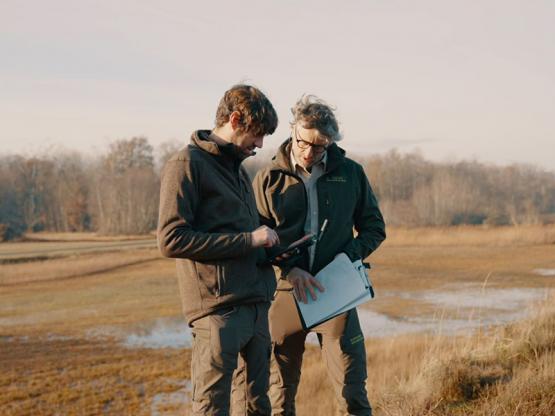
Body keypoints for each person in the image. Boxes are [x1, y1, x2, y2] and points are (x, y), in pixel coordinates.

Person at [243, 95, 386, 415]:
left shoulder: (350, 173)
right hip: (284, 294)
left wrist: (345, 260)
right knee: (280, 397)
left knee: (353, 395)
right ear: (293, 130)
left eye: (319, 146)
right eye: (303, 142)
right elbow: (256, 240)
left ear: (330, 142)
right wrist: (290, 269)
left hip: (337, 294)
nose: (309, 153)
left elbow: (375, 228)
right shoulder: (267, 178)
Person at [157, 84, 280, 415]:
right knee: (212, 408)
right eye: (256, 134)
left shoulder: (237, 170)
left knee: (257, 406)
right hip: (217, 313)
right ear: (236, 119)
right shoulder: (186, 163)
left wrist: (272, 252)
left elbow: (241, 237)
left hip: (255, 306)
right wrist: (250, 240)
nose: (260, 144)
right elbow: (171, 239)